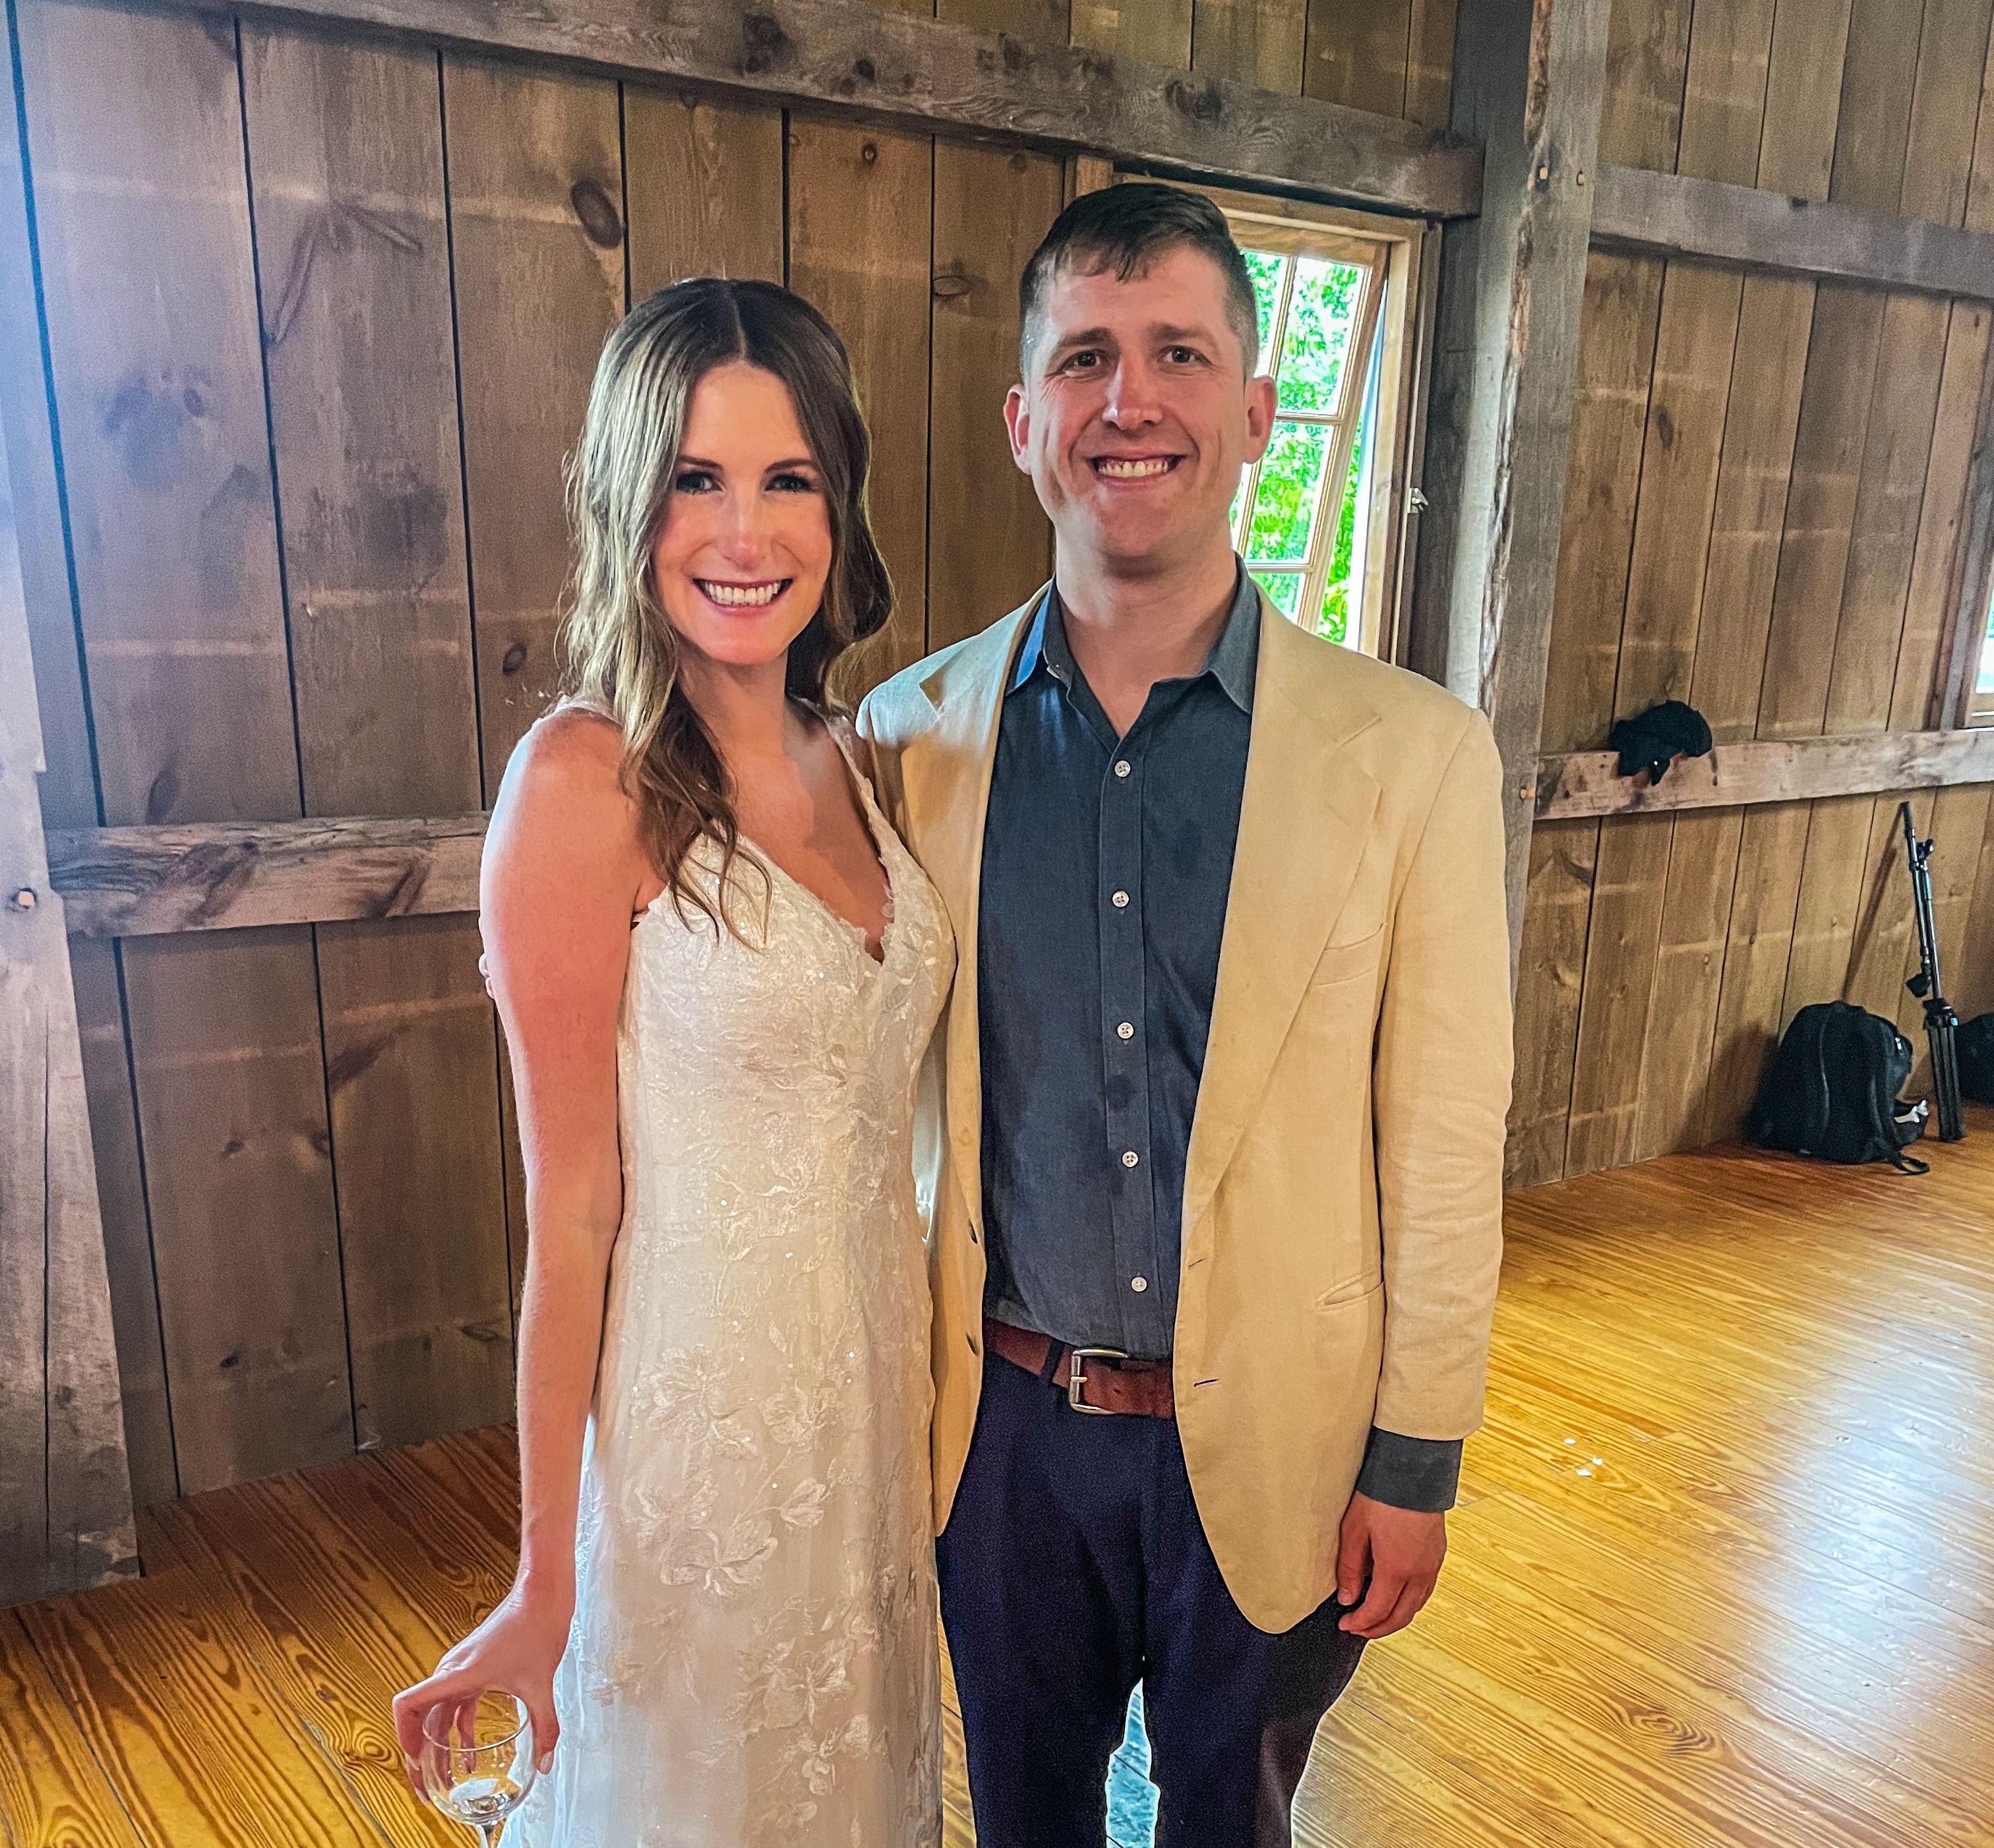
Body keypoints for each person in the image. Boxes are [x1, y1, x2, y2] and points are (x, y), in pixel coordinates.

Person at [858, 182, 1511, 1846]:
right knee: (1025, 1821)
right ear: (1024, 420)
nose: (1130, 400)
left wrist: (1415, 1458)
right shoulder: (905, 739)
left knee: (1235, 1822)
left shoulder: (1416, 756)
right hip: (1000, 1441)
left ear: (1259, 408)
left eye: (1180, 354)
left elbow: (1445, 1140)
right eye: (1085, 357)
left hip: (1288, 1435)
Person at [393, 278, 952, 1847]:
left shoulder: (858, 757)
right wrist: (541, 1577)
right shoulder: (584, 782)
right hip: (696, 1461)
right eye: (697, 479)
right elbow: (572, 1213)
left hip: (871, 1434)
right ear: (630, 504)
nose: (744, 531)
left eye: (789, 479)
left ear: (839, 506)